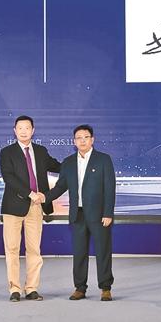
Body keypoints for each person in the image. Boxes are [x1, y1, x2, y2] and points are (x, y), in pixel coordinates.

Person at [45, 124, 115, 301]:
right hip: (78, 215)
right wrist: (44, 197)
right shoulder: (68, 162)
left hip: (99, 215)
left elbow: (109, 188)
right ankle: (80, 288)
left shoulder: (103, 160)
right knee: (79, 253)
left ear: (92, 139)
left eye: (86, 137)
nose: (82, 141)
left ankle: (105, 288)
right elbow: (60, 187)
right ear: (74, 141)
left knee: (103, 251)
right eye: (78, 138)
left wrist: (108, 213)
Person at [0, 115, 61, 302]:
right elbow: (9, 178)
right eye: (20, 128)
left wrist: (78, 163)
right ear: (15, 131)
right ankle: (14, 289)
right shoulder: (7, 152)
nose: (24, 131)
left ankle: (32, 288)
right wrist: (30, 193)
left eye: (27, 128)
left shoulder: (41, 151)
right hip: (13, 207)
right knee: (12, 249)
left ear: (33, 131)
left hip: (36, 208)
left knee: (34, 249)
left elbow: (57, 166)